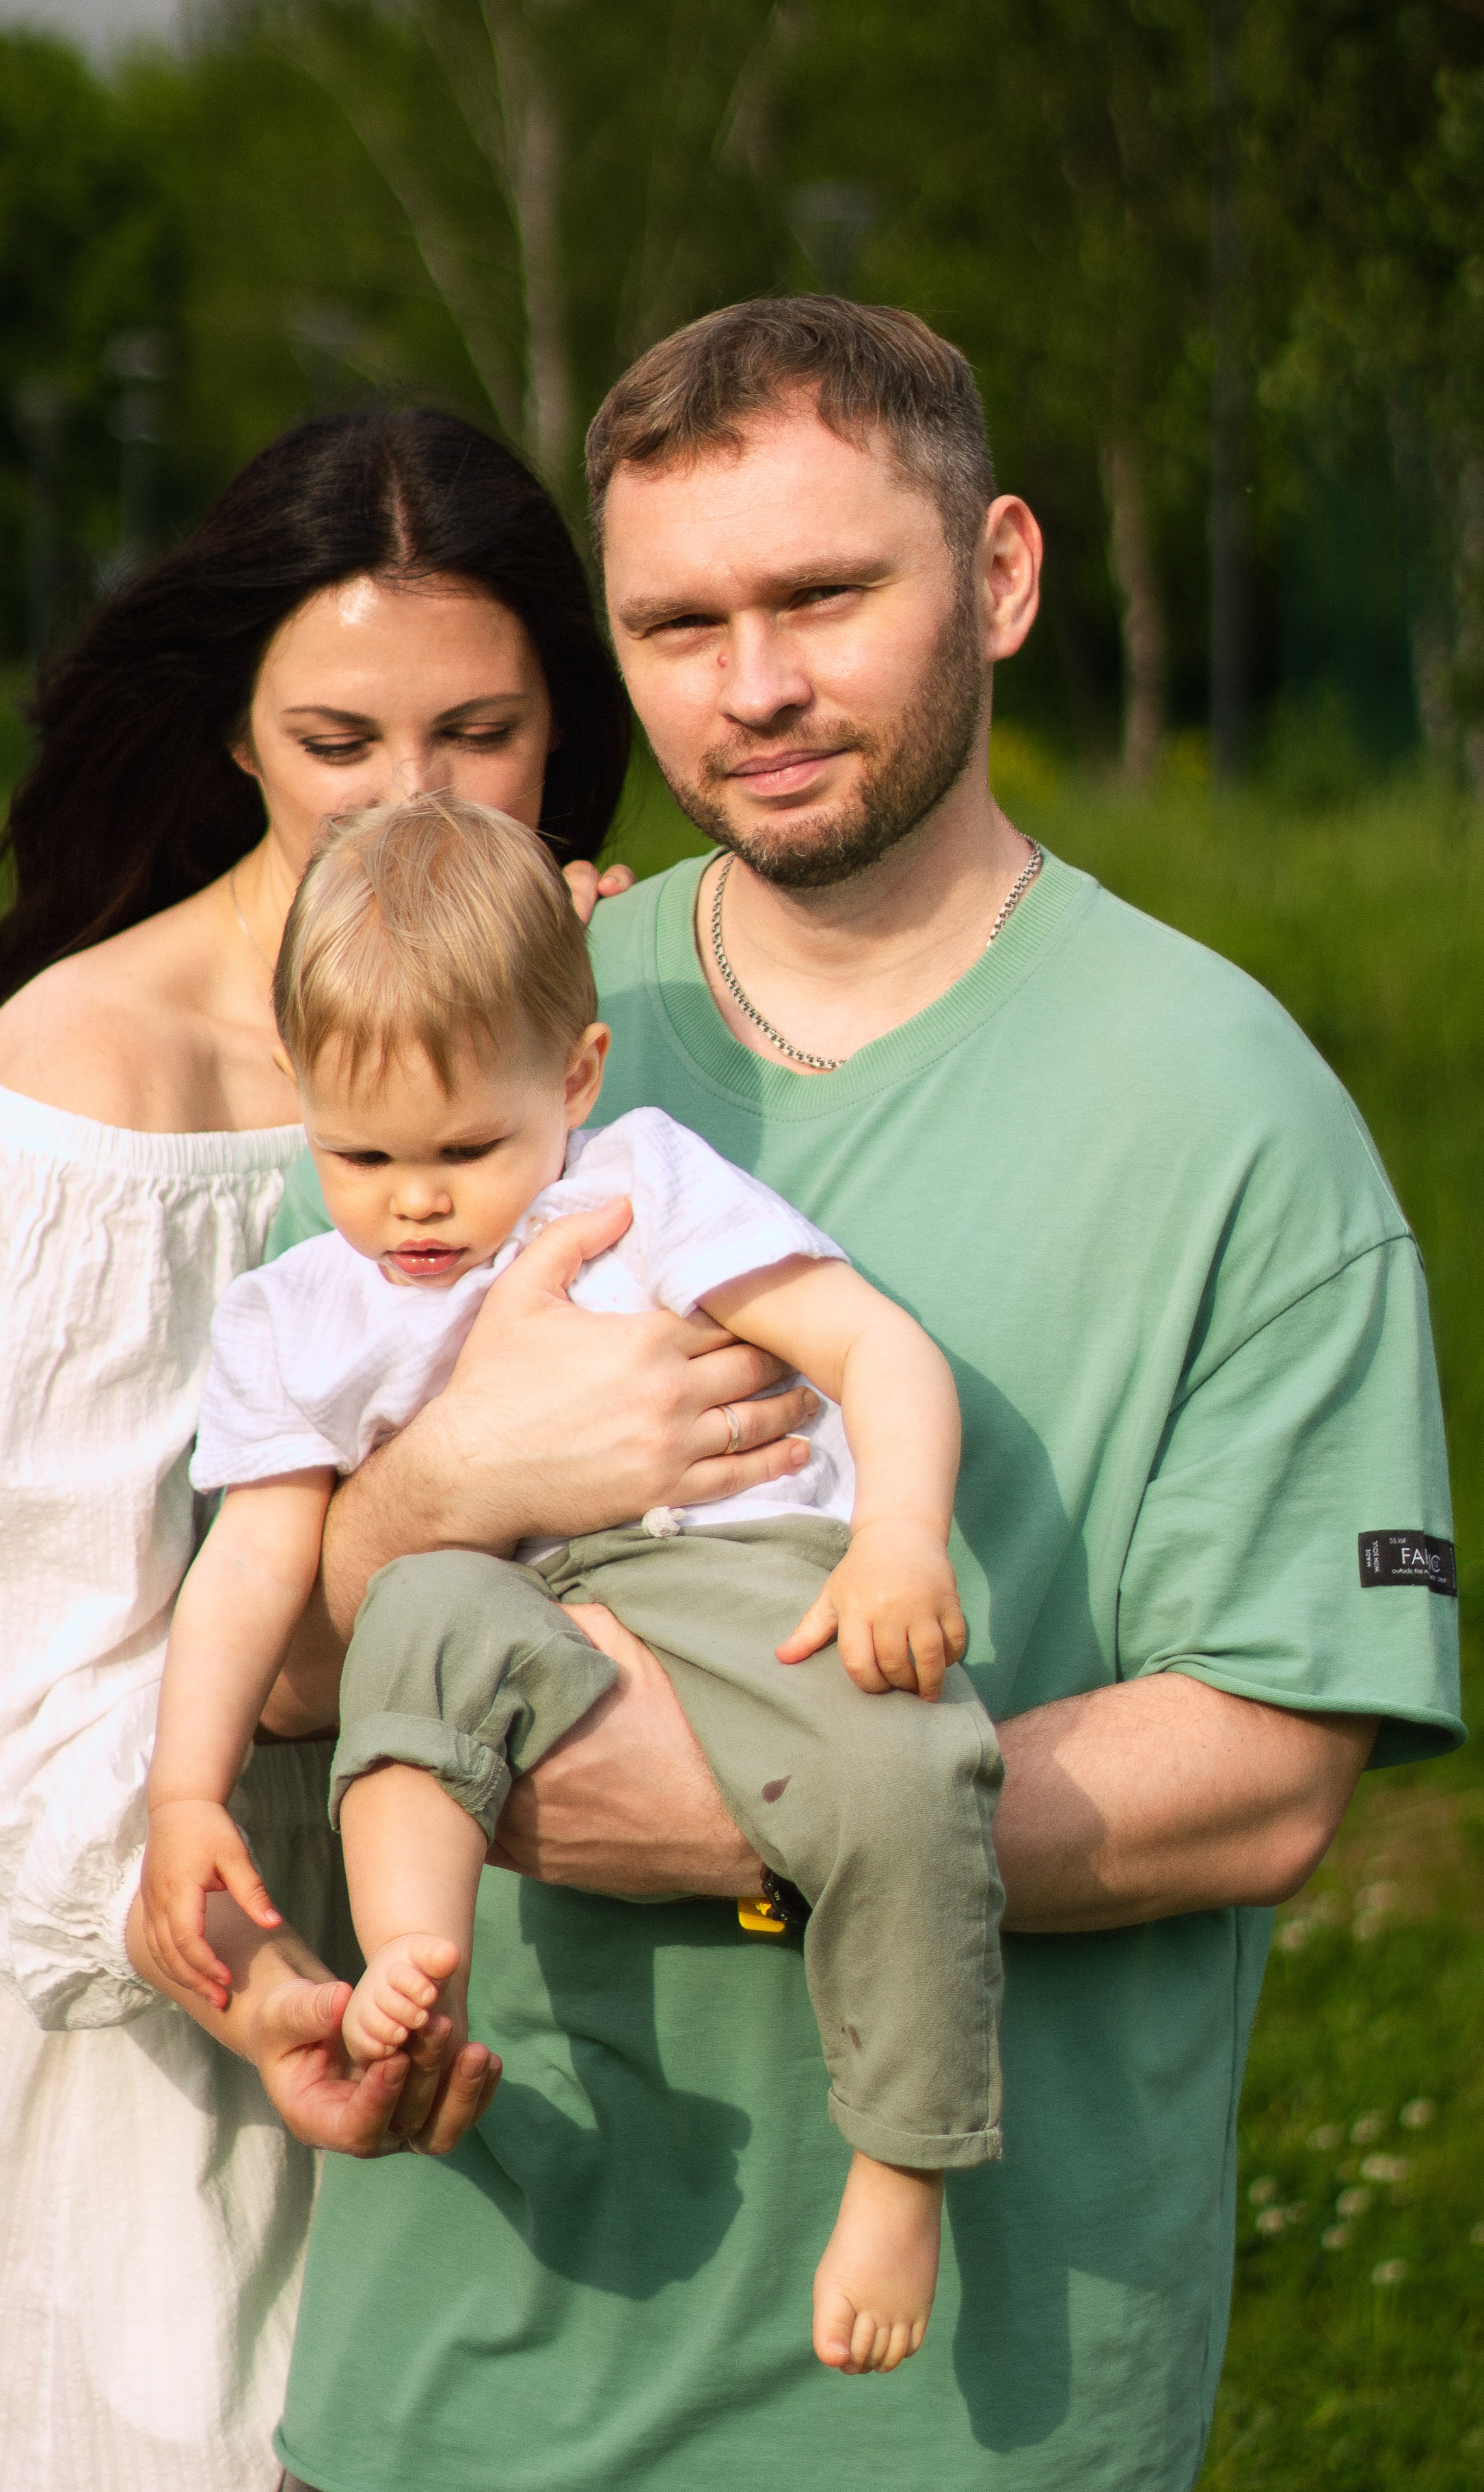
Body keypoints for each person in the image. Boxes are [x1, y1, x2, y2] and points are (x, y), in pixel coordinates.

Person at [215, 301, 1462, 2492]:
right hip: (456, 2366)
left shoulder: (1230, 1110)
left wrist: (732, 1807)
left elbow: (1268, 1771)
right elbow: (273, 1659)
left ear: (997, 574)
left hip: (962, 2410)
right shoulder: (493, 1009)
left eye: (822, 595)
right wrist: (440, 1500)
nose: (754, 683)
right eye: (678, 621)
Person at [0, 406, 820, 2492]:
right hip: (180, 2045)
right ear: (235, 736)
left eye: (481, 734)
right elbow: (1, 1750)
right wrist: (253, 1978)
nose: (413, 800)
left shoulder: (611, 1010)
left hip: (521, 1994)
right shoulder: (79, 1102)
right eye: (338, 741)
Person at [138, 792, 1004, 2381]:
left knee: (913, 1766)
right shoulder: (294, 1313)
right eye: (360, 1153)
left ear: (578, 1079)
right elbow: (259, 1565)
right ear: (300, 1099)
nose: (412, 1202)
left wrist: (898, 1539)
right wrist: (184, 1790)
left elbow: (874, 1347)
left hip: (738, 1573)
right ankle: (421, 1959)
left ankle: (904, 2155)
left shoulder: (638, 1191)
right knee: (410, 1617)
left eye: (466, 1149)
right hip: (518, 1618)